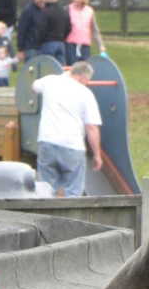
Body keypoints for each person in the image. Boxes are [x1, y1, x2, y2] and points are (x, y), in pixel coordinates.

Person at [33, 61, 103, 196]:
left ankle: (44, 216)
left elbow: (33, 86)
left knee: (46, 190)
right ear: (83, 78)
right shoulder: (85, 94)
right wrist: (97, 154)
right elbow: (91, 127)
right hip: (72, 146)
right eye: (87, 81)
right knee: (73, 191)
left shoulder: (50, 81)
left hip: (47, 142)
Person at [65, 0, 107, 65]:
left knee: (84, 68)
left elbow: (95, 30)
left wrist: (101, 46)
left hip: (84, 45)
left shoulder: (89, 11)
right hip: (71, 44)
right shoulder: (67, 9)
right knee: (72, 67)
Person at [37, 0, 71, 64]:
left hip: (48, 44)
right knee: (59, 69)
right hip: (60, 44)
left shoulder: (46, 11)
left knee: (47, 68)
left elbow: (41, 29)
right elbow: (69, 28)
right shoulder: (64, 11)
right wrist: (62, 38)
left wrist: (39, 41)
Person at [17, 0, 45, 64]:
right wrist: (20, 49)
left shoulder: (45, 10)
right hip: (31, 46)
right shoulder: (28, 10)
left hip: (42, 46)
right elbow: (21, 29)